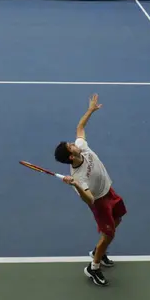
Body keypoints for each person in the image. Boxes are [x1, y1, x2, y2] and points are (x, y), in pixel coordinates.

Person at [54, 94, 127, 287]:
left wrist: (90, 110)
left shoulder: (81, 147)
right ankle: (93, 268)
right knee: (109, 234)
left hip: (109, 190)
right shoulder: (78, 177)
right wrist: (75, 184)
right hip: (100, 202)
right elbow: (89, 200)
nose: (73, 143)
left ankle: (98, 252)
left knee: (118, 218)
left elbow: (80, 128)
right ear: (71, 156)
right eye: (71, 146)